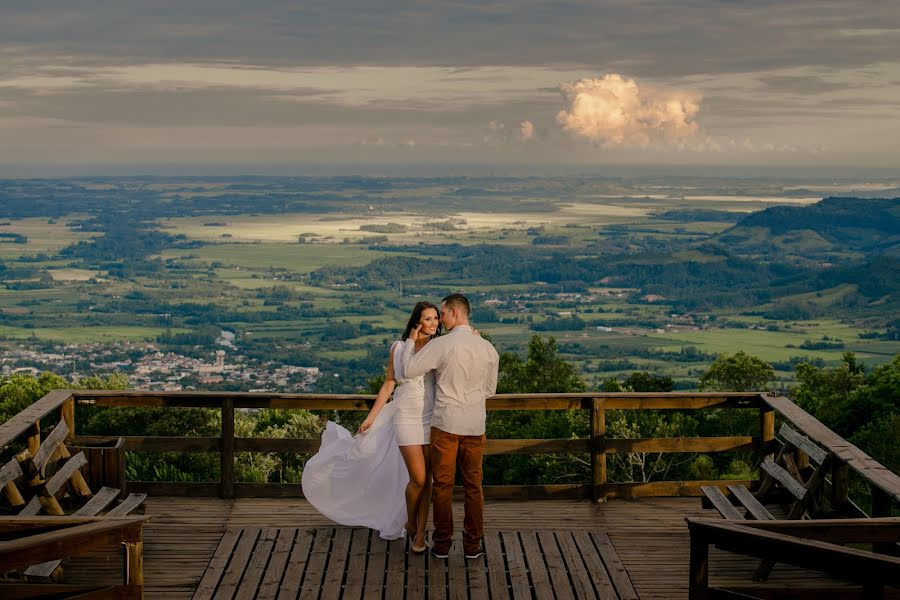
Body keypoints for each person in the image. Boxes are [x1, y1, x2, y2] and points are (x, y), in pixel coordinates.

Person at [301, 302, 439, 550]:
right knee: (417, 478)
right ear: (416, 322)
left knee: (428, 481)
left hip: (430, 418)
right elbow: (389, 383)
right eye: (428, 319)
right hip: (405, 416)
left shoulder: (438, 348)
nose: (434, 323)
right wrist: (372, 417)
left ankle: (420, 532)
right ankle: (409, 522)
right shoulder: (398, 348)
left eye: (436, 318)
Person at [401, 293, 499, 560]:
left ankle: (442, 544)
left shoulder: (442, 345)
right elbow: (490, 390)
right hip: (475, 425)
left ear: (455, 313)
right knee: (473, 486)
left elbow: (408, 370)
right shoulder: (488, 348)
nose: (440, 320)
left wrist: (410, 342)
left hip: (445, 424)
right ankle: (472, 545)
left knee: (443, 486)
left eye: (442, 314)